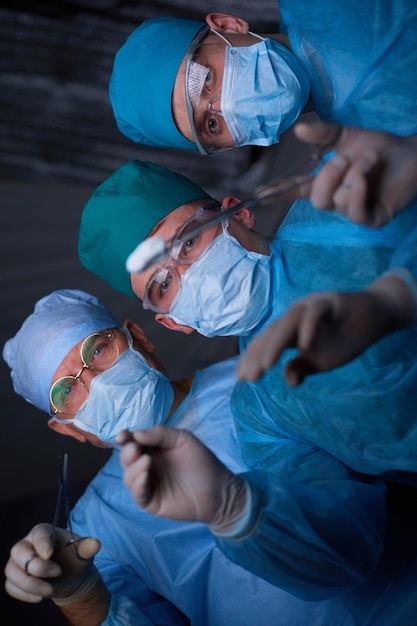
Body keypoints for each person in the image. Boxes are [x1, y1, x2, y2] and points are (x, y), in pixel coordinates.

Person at [4, 293, 417, 622]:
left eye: (97, 350)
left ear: (138, 337)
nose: (95, 383)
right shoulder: (96, 527)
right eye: (67, 391)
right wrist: (80, 594)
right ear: (68, 428)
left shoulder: (262, 374)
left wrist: (235, 506)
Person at [77, 157, 417, 481]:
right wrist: (233, 511)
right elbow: (327, 514)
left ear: (238, 214)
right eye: (163, 285)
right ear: (175, 323)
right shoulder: (261, 415)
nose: (188, 274)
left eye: (190, 241)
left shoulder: (338, 200)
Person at [109, 5, 417, 155]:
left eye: (205, 80)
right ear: (231, 147)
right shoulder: (360, 161)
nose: (226, 107)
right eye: (211, 126)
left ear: (227, 25)